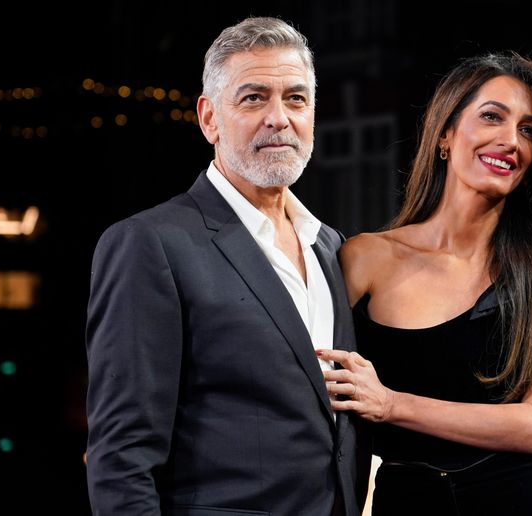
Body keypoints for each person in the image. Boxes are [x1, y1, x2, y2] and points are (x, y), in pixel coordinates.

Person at [85, 17, 369, 516]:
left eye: (296, 99)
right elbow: (122, 457)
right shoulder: (149, 245)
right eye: (254, 98)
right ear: (209, 118)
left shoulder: (331, 247)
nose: (279, 118)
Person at [317, 51, 532, 515]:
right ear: (446, 134)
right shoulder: (364, 257)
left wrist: (391, 404)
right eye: (492, 116)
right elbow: (315, 391)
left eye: (528, 130)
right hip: (406, 501)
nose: (511, 140)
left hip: (519, 499)